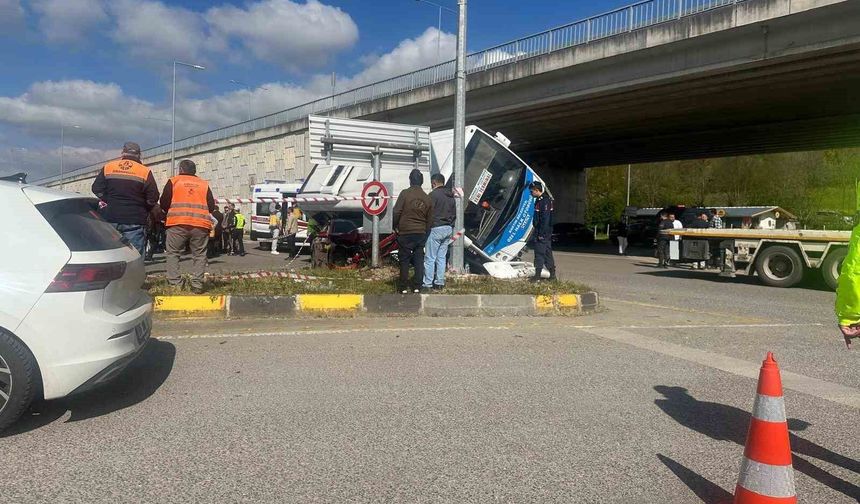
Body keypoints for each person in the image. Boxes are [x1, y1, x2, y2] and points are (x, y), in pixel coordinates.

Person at [91, 142, 159, 256]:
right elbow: (153, 197)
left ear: (122, 153)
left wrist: (109, 200)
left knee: (110, 253)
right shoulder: (144, 171)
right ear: (139, 155)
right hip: (134, 218)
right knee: (134, 255)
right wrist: (144, 207)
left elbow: (96, 188)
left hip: (111, 216)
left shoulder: (109, 167)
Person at [160, 159, 216, 294]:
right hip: (200, 225)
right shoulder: (204, 184)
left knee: (173, 253)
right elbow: (211, 206)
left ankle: (175, 284)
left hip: (177, 223)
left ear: (180, 170)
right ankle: (197, 284)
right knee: (199, 255)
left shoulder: (173, 181)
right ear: (194, 171)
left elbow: (164, 202)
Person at [393, 169, 432, 294]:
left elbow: (396, 211)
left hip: (405, 231)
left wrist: (395, 226)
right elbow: (430, 220)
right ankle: (417, 286)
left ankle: (403, 287)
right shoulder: (427, 198)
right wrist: (425, 232)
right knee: (419, 259)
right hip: (420, 232)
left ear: (410, 180)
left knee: (404, 259)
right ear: (422, 182)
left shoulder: (405, 194)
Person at [422, 174, 456, 291]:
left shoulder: (433, 195)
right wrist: (451, 225)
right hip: (448, 228)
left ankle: (427, 284)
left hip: (436, 228)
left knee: (430, 258)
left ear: (434, 183)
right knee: (441, 258)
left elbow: (427, 212)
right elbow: (454, 214)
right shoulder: (451, 196)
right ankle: (440, 283)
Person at [529, 181, 556, 281]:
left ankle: (537, 277)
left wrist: (540, 234)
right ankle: (553, 276)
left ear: (536, 190)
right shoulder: (541, 200)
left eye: (531, 191)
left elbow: (545, 219)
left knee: (539, 253)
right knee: (547, 253)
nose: (531, 193)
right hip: (545, 232)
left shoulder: (544, 201)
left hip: (542, 232)